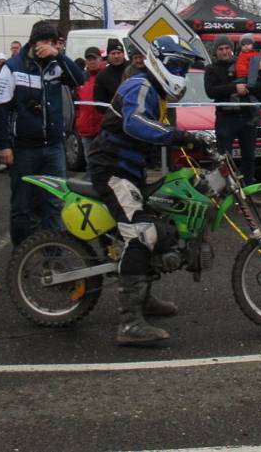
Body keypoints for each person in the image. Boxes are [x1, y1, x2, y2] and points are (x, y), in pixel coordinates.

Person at [87, 35, 207, 345]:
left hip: (131, 170)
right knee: (142, 231)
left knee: (162, 225)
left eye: (183, 68)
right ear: (161, 63)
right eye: (177, 67)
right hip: (112, 170)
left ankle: (144, 300)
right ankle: (128, 324)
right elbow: (134, 123)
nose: (180, 74)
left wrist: (196, 139)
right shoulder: (140, 86)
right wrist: (179, 136)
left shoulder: (153, 89)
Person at [0, 20, 86, 247]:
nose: (48, 46)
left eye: (53, 42)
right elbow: (0, 108)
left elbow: (79, 80)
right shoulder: (13, 67)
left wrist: (59, 56)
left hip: (54, 147)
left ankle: (53, 257)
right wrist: (3, 145)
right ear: (34, 42)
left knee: (54, 204)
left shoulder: (56, 64)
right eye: (45, 41)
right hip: (24, 148)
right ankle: (22, 254)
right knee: (23, 206)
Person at [204, 35, 261, 198]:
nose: (225, 52)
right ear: (215, 51)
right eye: (221, 49)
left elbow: (260, 85)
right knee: (224, 158)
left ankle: (248, 192)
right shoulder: (211, 69)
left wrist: (248, 88)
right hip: (226, 118)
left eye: (227, 48)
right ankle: (225, 193)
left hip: (246, 116)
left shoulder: (243, 63)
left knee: (249, 156)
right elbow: (211, 91)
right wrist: (234, 87)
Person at [75, 47, 105, 162]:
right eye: (89, 59)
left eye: (94, 59)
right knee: (91, 164)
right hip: (86, 129)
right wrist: (79, 120)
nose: (92, 62)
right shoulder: (81, 78)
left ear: (100, 59)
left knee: (104, 165)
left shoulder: (105, 76)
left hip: (102, 129)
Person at [94, 39, 127, 112]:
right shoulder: (102, 75)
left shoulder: (132, 69)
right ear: (108, 55)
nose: (116, 56)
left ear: (123, 54)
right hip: (114, 117)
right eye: (113, 53)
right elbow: (99, 103)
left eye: (119, 53)